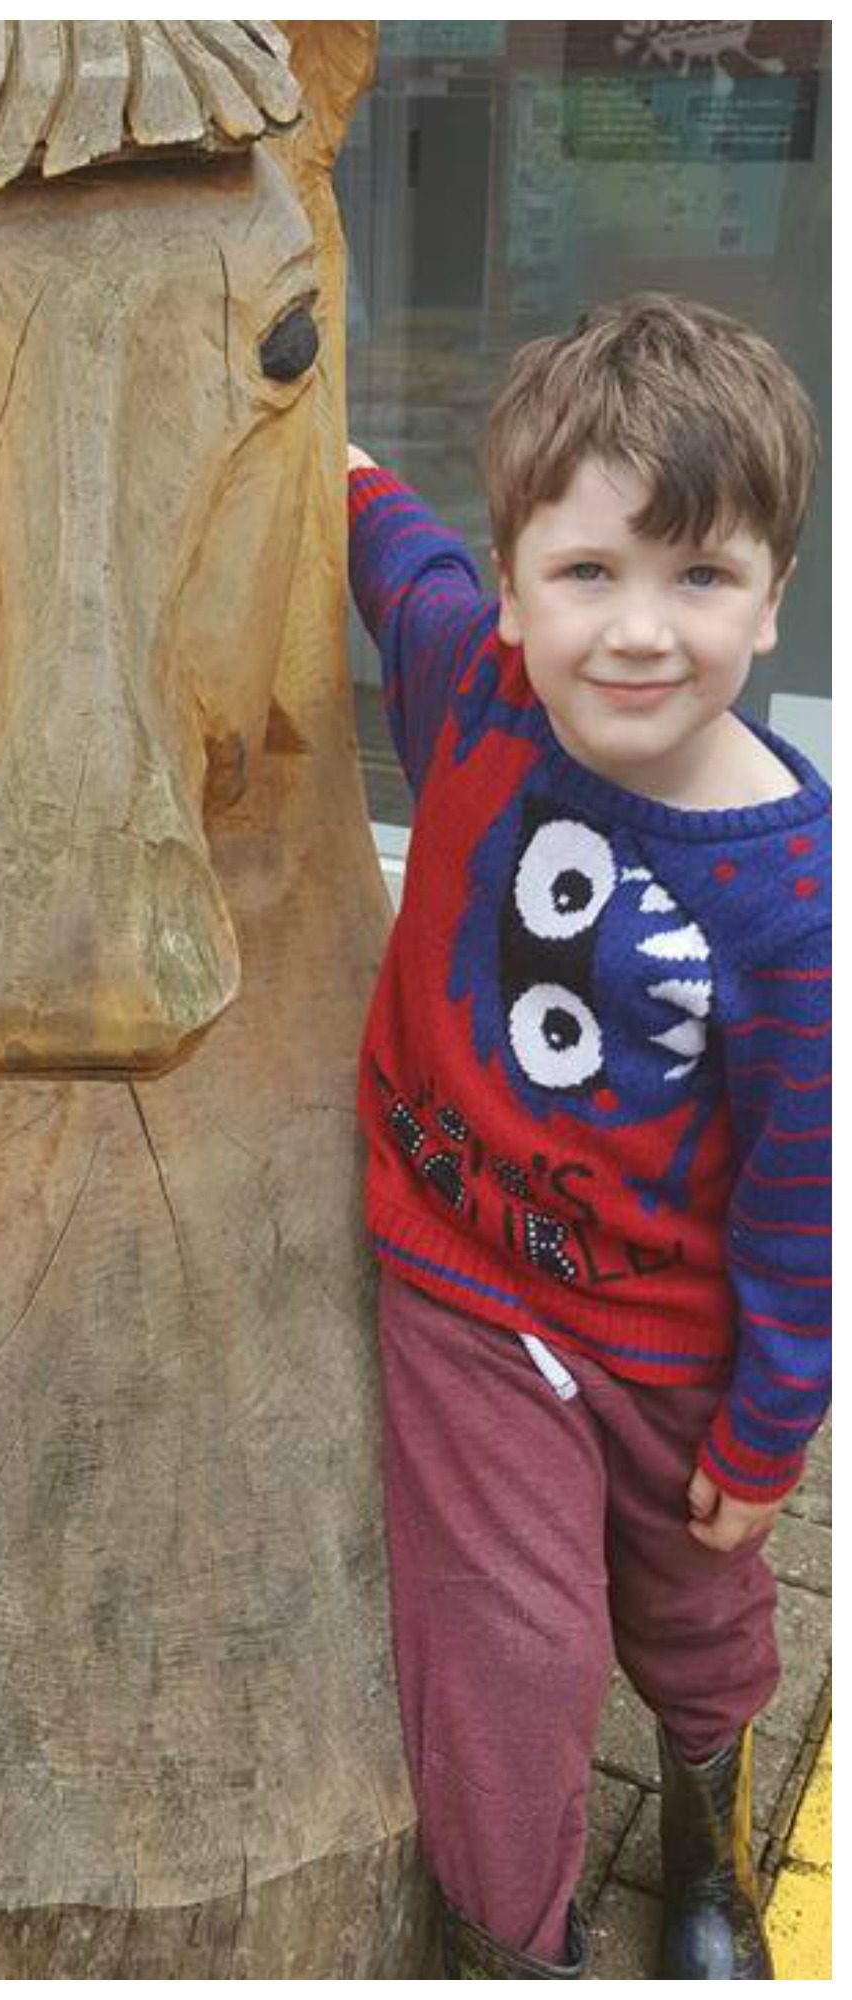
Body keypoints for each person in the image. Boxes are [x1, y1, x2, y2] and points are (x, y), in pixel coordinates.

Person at [345, 295, 827, 1979]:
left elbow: (803, 1206)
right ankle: (513, 1943)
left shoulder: (792, 899)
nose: (636, 632)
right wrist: (326, 454)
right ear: (514, 586)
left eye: (698, 576)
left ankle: (707, 1852)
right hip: (470, 1289)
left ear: (774, 597)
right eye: (587, 572)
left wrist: (769, 1431)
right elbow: (390, 548)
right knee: (511, 1652)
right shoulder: (465, 684)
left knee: (703, 1621)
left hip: (672, 1338)